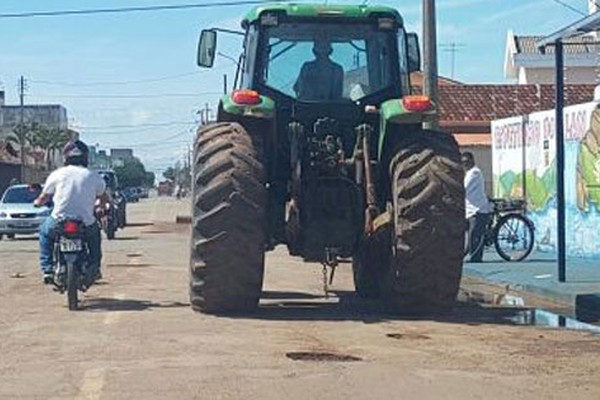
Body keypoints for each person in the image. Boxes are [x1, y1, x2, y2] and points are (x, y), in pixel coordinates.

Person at [34, 140, 108, 284]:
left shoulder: (57, 174)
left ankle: (47, 269)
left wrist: (37, 203)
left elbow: (43, 197)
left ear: (66, 158)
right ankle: (94, 268)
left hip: (58, 220)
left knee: (44, 233)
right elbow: (103, 196)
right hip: (85, 222)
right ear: (85, 157)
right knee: (94, 239)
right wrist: (102, 207)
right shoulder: (93, 176)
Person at [462, 152, 493, 263]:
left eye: (466, 162)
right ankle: (468, 254)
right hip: (470, 209)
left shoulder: (474, 173)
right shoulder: (468, 173)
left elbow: (464, 188)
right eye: (463, 162)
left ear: (472, 161)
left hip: (478, 209)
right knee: (469, 234)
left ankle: (476, 258)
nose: (464, 164)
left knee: (475, 234)